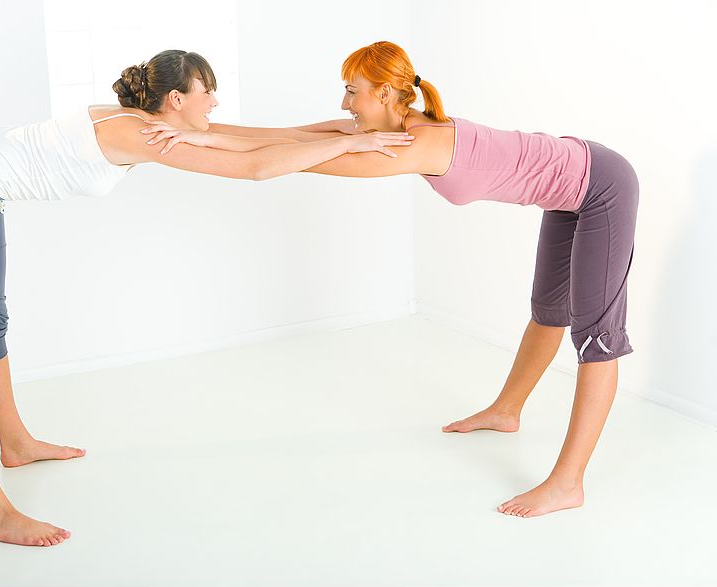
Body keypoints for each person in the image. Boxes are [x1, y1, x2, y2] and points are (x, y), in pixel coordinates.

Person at [0, 49, 413, 547]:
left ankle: (16, 444)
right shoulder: (140, 133)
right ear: (175, 99)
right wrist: (346, 148)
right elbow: (255, 167)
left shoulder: (154, 120)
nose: (215, 101)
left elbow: (251, 138)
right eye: (207, 90)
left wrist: (347, 130)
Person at [145, 41, 639, 518]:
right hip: (570, 187)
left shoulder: (419, 146)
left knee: (596, 336)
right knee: (549, 311)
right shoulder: (398, 130)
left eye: (352, 89)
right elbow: (287, 136)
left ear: (383, 94)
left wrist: (203, 143)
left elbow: (298, 161)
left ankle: (568, 483)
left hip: (602, 187)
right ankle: (506, 411)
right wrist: (203, 132)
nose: (345, 102)